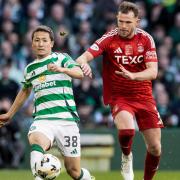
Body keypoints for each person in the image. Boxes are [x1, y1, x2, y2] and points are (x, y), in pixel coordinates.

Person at [76, 1, 164, 180]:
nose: (123, 26)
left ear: (137, 22)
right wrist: (84, 64)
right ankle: (126, 157)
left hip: (144, 96)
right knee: (127, 131)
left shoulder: (146, 39)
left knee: (155, 147)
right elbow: (82, 57)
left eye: (128, 22)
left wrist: (133, 76)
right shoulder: (109, 37)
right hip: (119, 96)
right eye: (120, 21)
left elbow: (153, 72)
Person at [0, 25, 95, 180]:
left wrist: (62, 70)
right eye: (37, 40)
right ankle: (40, 176)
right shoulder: (30, 69)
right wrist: (10, 114)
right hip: (43, 119)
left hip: (67, 121)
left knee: (74, 171)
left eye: (44, 40)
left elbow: (79, 73)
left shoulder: (62, 58)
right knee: (36, 141)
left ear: (51, 43)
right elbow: (25, 90)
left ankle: (87, 178)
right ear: (32, 44)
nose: (40, 43)